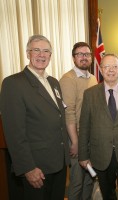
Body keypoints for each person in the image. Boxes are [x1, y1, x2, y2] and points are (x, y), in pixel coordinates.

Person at [0, 34, 70, 200]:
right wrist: (28, 168)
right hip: (36, 167)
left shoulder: (53, 82)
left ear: (50, 56)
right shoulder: (13, 83)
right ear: (27, 53)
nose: (41, 54)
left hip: (59, 163)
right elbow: (14, 132)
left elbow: (59, 116)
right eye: (36, 50)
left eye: (46, 51)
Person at [78, 53, 118, 200]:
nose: (111, 70)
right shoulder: (90, 94)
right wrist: (83, 155)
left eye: (114, 66)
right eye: (107, 66)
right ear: (101, 70)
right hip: (100, 155)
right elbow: (84, 127)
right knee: (107, 194)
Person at [59, 42, 98, 200]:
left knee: (90, 178)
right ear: (74, 58)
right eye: (80, 54)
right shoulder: (68, 79)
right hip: (76, 138)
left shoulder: (93, 78)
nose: (84, 57)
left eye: (87, 54)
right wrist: (74, 142)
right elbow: (69, 112)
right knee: (77, 181)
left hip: (91, 138)